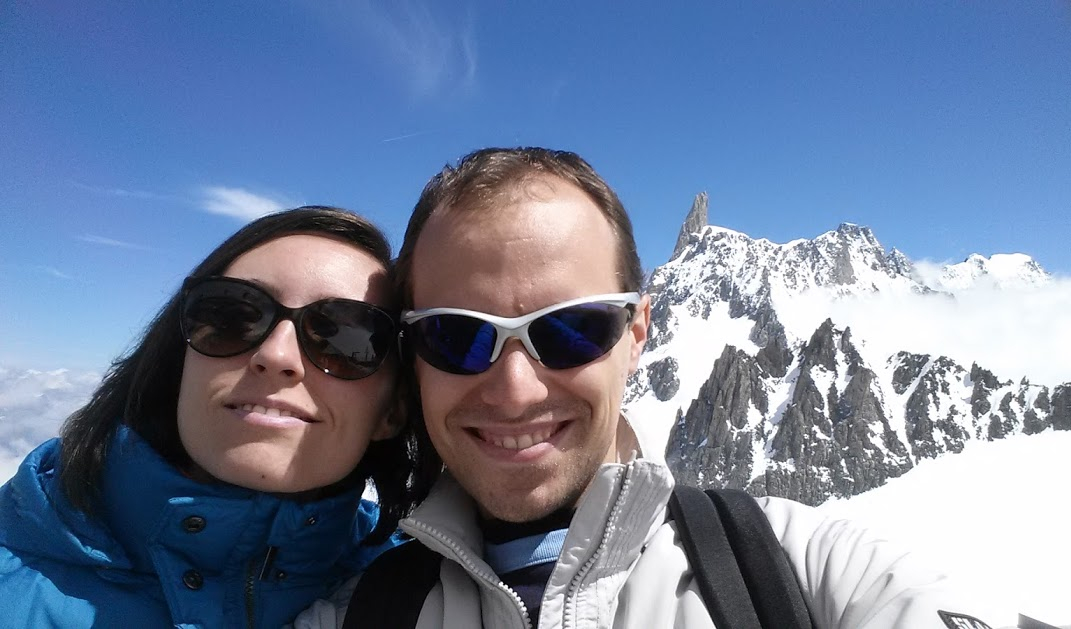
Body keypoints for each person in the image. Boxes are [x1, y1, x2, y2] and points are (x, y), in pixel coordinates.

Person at [294, 149, 993, 629]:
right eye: (457, 335)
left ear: (635, 333)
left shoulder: (790, 569)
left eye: (570, 329)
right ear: (410, 353)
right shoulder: (359, 614)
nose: (514, 388)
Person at [0, 206, 431, 627]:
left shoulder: (423, 596)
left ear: (392, 411)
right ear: (180, 360)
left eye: (347, 339)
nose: (276, 355)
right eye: (231, 318)